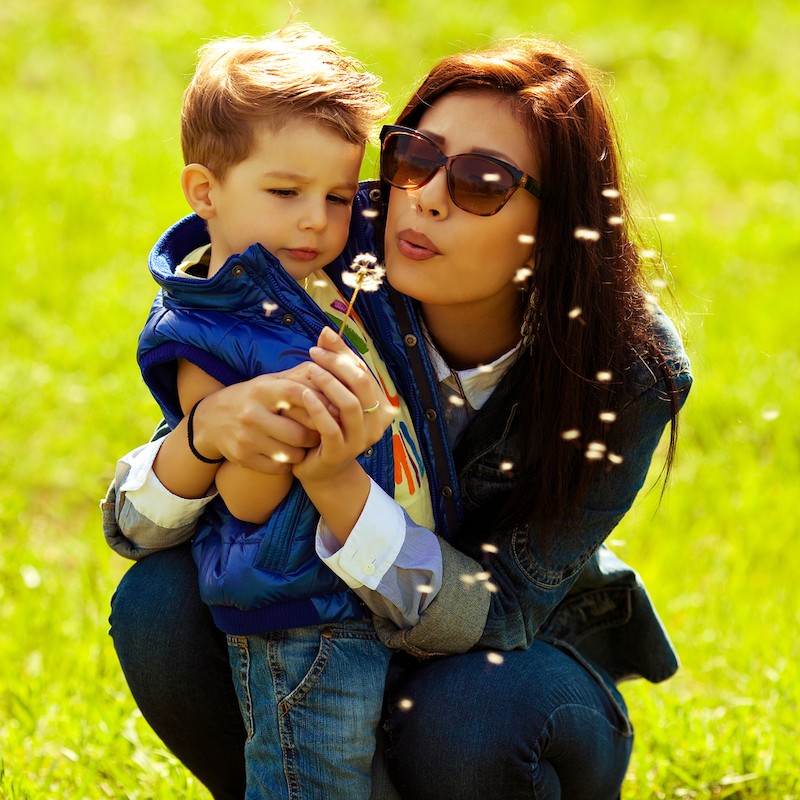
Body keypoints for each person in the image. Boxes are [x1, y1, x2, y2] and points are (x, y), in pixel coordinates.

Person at [102, 35, 693, 800]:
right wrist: (206, 433)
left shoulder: (627, 366)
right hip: (321, 640)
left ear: (553, 229)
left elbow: (501, 611)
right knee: (158, 604)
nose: (426, 197)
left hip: (507, 677)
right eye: (415, 157)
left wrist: (338, 488)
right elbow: (138, 525)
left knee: (469, 719)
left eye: (483, 182)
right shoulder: (327, 257)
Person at [120, 25, 436, 800]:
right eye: (285, 192)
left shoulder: (322, 278)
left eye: (336, 197)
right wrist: (287, 439)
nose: (315, 221)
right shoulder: (206, 334)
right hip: (301, 618)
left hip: (364, 586)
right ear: (205, 192)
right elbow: (244, 498)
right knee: (312, 779)